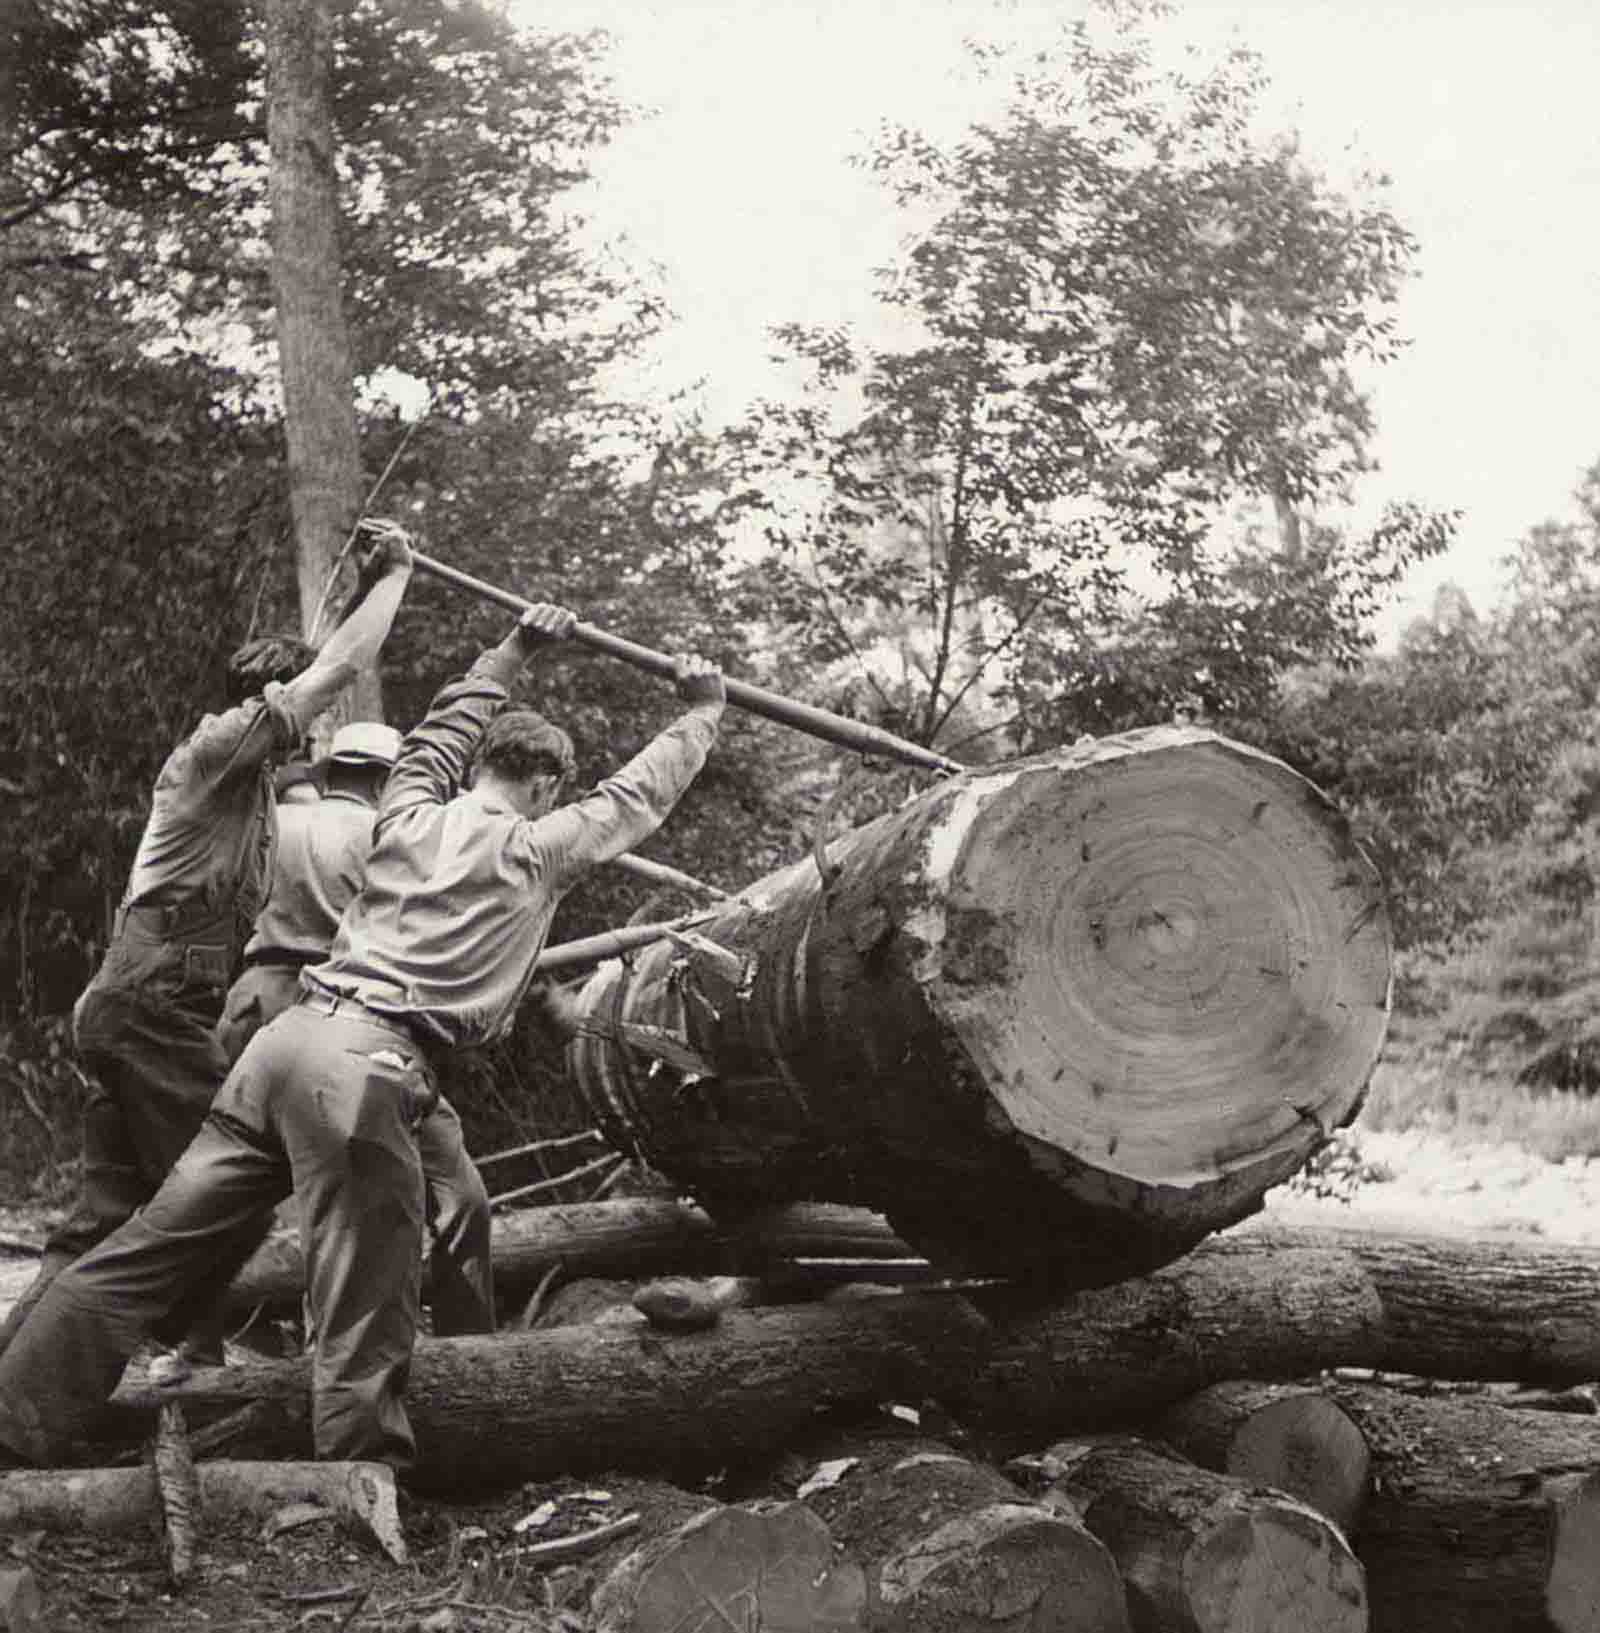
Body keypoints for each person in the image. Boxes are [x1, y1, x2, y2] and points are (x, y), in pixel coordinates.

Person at [0, 606, 725, 1471]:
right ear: (545, 786)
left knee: (149, 1247)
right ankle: (358, 1481)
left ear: (473, 766)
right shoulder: (539, 848)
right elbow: (636, 795)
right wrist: (702, 711)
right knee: (366, 1299)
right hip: (365, 1071)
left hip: (280, 1048)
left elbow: (440, 730)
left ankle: (15, 1416)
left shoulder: (407, 808)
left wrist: (513, 649)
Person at [0, 524, 415, 1361]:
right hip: (148, 1007)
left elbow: (314, 659)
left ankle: (23, 1385)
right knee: (233, 1192)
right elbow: (335, 668)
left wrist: (355, 585)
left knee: (101, 1224)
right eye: (305, 714)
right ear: (273, 702)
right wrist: (396, 577)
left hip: (148, 1008)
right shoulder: (217, 750)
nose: (316, 733)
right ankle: (174, 1343)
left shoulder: (249, 785)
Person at [218, 720, 496, 1336]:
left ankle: (209, 1339)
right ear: (386, 780)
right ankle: (465, 1345)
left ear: (335, 771)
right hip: (347, 1016)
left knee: (237, 1185)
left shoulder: (272, 824)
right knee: (446, 1196)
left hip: (251, 1005)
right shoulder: (392, 835)